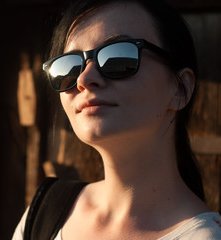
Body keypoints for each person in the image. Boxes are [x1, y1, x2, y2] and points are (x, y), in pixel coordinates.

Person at [13, 0, 221, 239]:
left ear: (180, 88)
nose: (84, 79)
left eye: (118, 58)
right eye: (69, 66)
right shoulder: (43, 215)